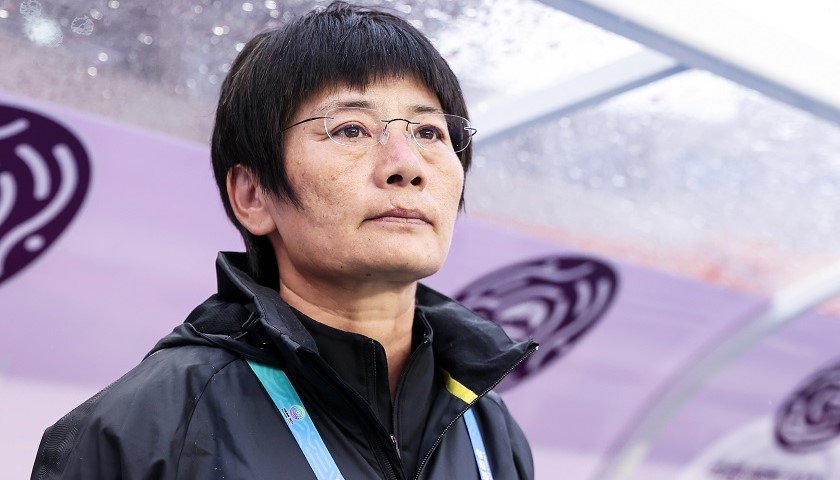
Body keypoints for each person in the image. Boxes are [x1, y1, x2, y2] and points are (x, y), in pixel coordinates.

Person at [31, 2, 537, 479]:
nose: (406, 165)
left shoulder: (490, 429)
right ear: (252, 195)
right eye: (351, 129)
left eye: (428, 132)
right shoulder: (146, 428)